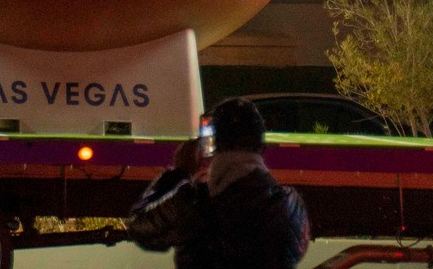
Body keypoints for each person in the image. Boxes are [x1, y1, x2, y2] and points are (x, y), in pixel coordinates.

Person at [127, 97, 310, 269]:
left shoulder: (193, 201)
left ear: (212, 146)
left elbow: (139, 228)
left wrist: (179, 173)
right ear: (260, 145)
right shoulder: (289, 205)